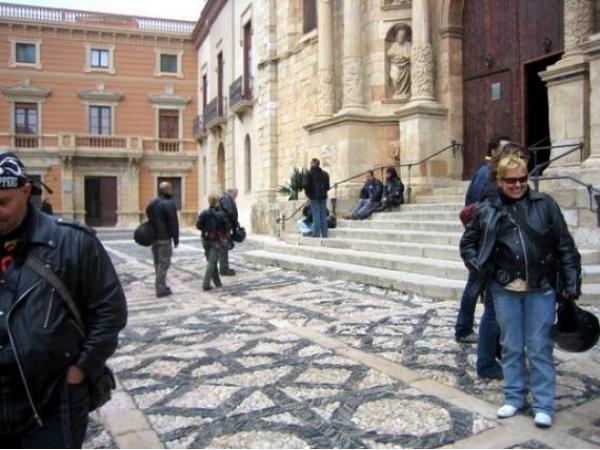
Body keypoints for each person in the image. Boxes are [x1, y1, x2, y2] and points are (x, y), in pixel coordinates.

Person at [0, 152, 127, 447]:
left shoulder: (73, 242)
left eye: (3, 203)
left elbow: (110, 310)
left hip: (53, 404)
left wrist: (80, 369)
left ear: (25, 191)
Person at [460, 144, 581, 428]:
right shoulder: (486, 210)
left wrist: (571, 280)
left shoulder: (545, 205)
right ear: (499, 181)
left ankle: (543, 403)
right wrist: (477, 265)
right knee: (512, 346)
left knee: (539, 347)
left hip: (541, 288)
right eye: (511, 180)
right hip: (505, 290)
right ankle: (514, 397)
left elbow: (564, 244)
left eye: (522, 179)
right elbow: (467, 243)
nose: (517, 185)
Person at [146, 181, 179, 297]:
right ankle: (160, 288)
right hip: (164, 238)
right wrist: (176, 238)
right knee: (164, 263)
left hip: (154, 238)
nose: (172, 191)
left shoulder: (152, 202)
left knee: (157, 263)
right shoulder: (170, 204)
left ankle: (161, 285)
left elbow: (148, 214)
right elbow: (173, 222)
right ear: (166, 190)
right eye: (170, 188)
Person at [196, 194, 229, 291]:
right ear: (217, 202)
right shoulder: (222, 214)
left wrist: (205, 229)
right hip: (216, 240)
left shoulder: (204, 213)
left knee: (212, 261)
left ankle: (217, 282)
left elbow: (198, 225)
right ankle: (206, 284)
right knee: (212, 262)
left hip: (205, 240)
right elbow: (227, 227)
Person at [303, 158, 330, 238]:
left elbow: (306, 185)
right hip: (323, 197)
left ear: (312, 164)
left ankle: (316, 233)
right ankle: (325, 233)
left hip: (314, 197)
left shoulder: (309, 174)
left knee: (316, 215)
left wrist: (309, 195)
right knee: (323, 215)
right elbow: (327, 187)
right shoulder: (325, 174)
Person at [219, 188, 240, 276]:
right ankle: (224, 269)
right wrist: (234, 224)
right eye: (235, 194)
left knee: (225, 247)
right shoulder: (226, 199)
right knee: (224, 248)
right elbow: (230, 213)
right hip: (224, 227)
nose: (236, 196)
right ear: (231, 192)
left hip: (225, 227)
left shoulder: (226, 199)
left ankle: (224, 267)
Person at [387, 24, 411, 98]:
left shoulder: (408, 44)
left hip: (405, 66)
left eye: (403, 35)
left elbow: (410, 55)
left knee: (405, 81)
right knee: (395, 78)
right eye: (400, 35)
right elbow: (389, 53)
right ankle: (397, 92)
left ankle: (404, 92)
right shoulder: (394, 45)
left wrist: (403, 56)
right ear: (397, 36)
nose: (401, 37)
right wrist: (401, 56)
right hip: (395, 64)